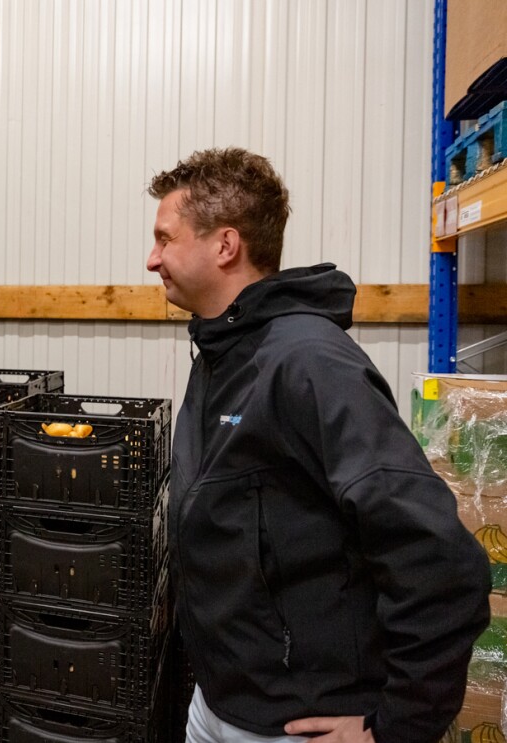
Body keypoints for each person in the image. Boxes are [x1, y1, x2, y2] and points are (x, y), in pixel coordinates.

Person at [146, 147, 490, 743]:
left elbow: (439, 557)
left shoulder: (307, 362)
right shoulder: (223, 352)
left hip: (297, 723)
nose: (151, 260)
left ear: (225, 246)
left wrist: (396, 728)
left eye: (165, 239)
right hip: (222, 702)